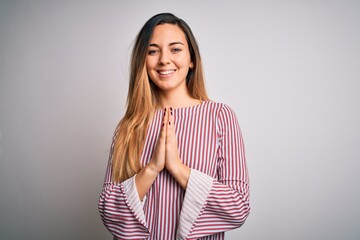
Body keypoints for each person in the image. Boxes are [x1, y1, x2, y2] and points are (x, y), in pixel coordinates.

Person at [98, 13, 250, 240]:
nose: (164, 60)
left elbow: (238, 206)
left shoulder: (220, 117)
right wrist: (152, 169)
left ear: (192, 60)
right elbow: (109, 211)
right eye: (152, 51)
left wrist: (178, 168)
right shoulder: (128, 127)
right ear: (143, 60)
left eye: (175, 49)